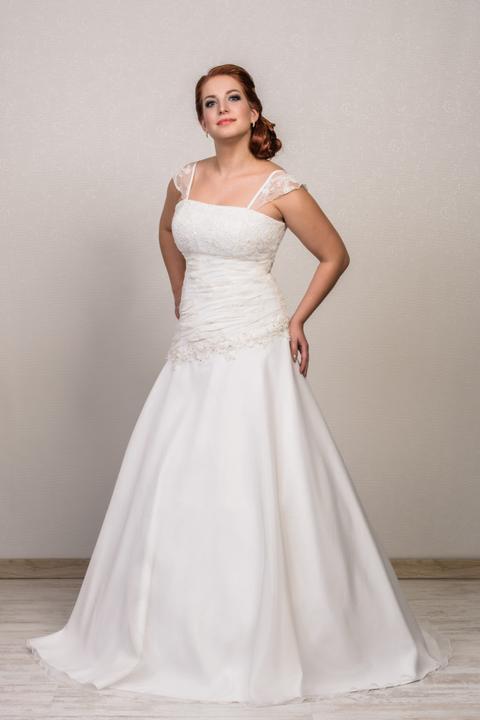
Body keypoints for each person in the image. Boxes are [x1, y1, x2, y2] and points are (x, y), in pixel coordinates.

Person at [26, 63, 452, 708]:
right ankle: (171, 629)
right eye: (209, 102)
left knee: (253, 474)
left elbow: (334, 254)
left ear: (253, 111)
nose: (221, 108)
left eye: (233, 98)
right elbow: (167, 231)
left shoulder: (281, 186)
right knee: (180, 473)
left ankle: (271, 632)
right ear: (201, 119)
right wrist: (179, 288)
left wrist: (298, 319)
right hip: (196, 339)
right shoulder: (184, 179)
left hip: (255, 338)